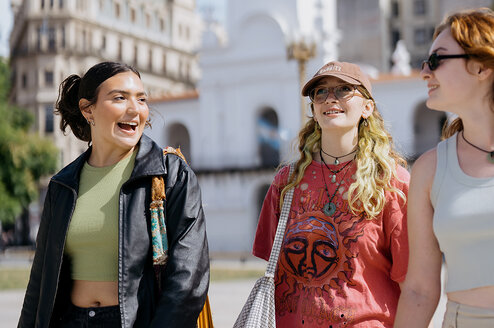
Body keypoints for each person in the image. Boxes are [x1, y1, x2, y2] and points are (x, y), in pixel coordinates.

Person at [17, 62, 209, 328]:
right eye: (120, 98)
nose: (135, 109)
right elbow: (40, 282)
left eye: (141, 99)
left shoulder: (170, 174)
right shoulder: (62, 185)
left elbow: (188, 278)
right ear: (88, 109)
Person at [253, 61, 410, 327]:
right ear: (313, 109)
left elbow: (412, 284)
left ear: (367, 107)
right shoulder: (287, 182)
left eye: (344, 89)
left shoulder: (392, 183)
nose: (330, 98)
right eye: (321, 92)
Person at [394, 8, 494, 327]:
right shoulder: (430, 168)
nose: (425, 71)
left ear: (482, 66)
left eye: (436, 60)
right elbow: (420, 289)